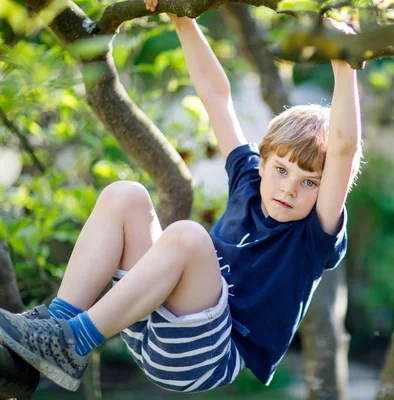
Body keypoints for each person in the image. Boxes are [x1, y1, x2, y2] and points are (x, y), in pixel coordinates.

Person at [0, 6, 362, 394]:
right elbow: (216, 97)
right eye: (282, 171)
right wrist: (180, 17)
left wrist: (345, 64)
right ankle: (54, 332)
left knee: (189, 237)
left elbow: (342, 149)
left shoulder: (312, 235)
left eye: (311, 183)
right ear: (264, 161)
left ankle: (74, 341)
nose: (290, 188)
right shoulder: (248, 180)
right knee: (125, 195)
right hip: (151, 319)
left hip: (208, 355)